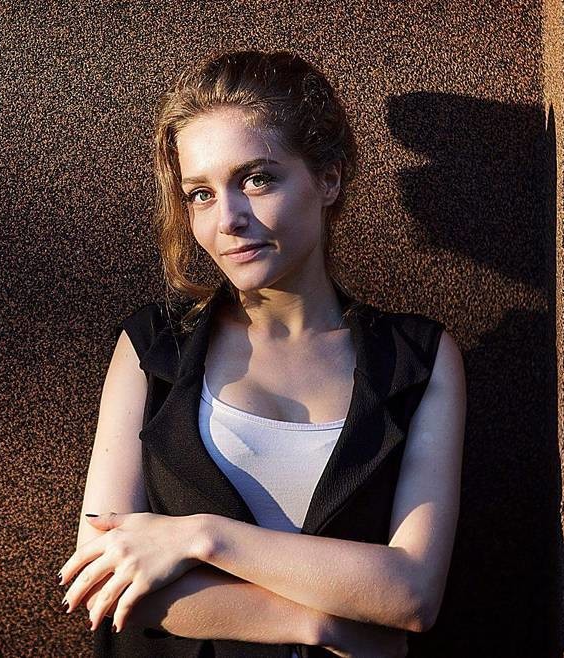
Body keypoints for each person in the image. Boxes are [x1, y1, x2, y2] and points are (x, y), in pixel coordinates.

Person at [56, 50, 466, 657]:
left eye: (257, 179)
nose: (228, 219)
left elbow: (410, 592)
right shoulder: (154, 347)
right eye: (200, 194)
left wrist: (201, 537)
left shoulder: (417, 360)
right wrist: (321, 626)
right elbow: (103, 577)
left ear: (328, 179)